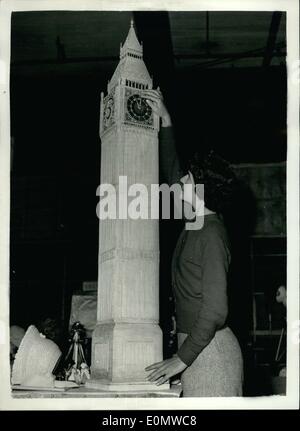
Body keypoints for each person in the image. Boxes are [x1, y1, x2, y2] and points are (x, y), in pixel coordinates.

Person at [144, 88, 244, 397]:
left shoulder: (211, 233)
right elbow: (173, 175)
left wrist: (180, 359)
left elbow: (215, 310)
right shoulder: (198, 218)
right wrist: (166, 121)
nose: (182, 181)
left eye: (189, 178)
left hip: (210, 353)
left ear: (200, 189)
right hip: (199, 347)